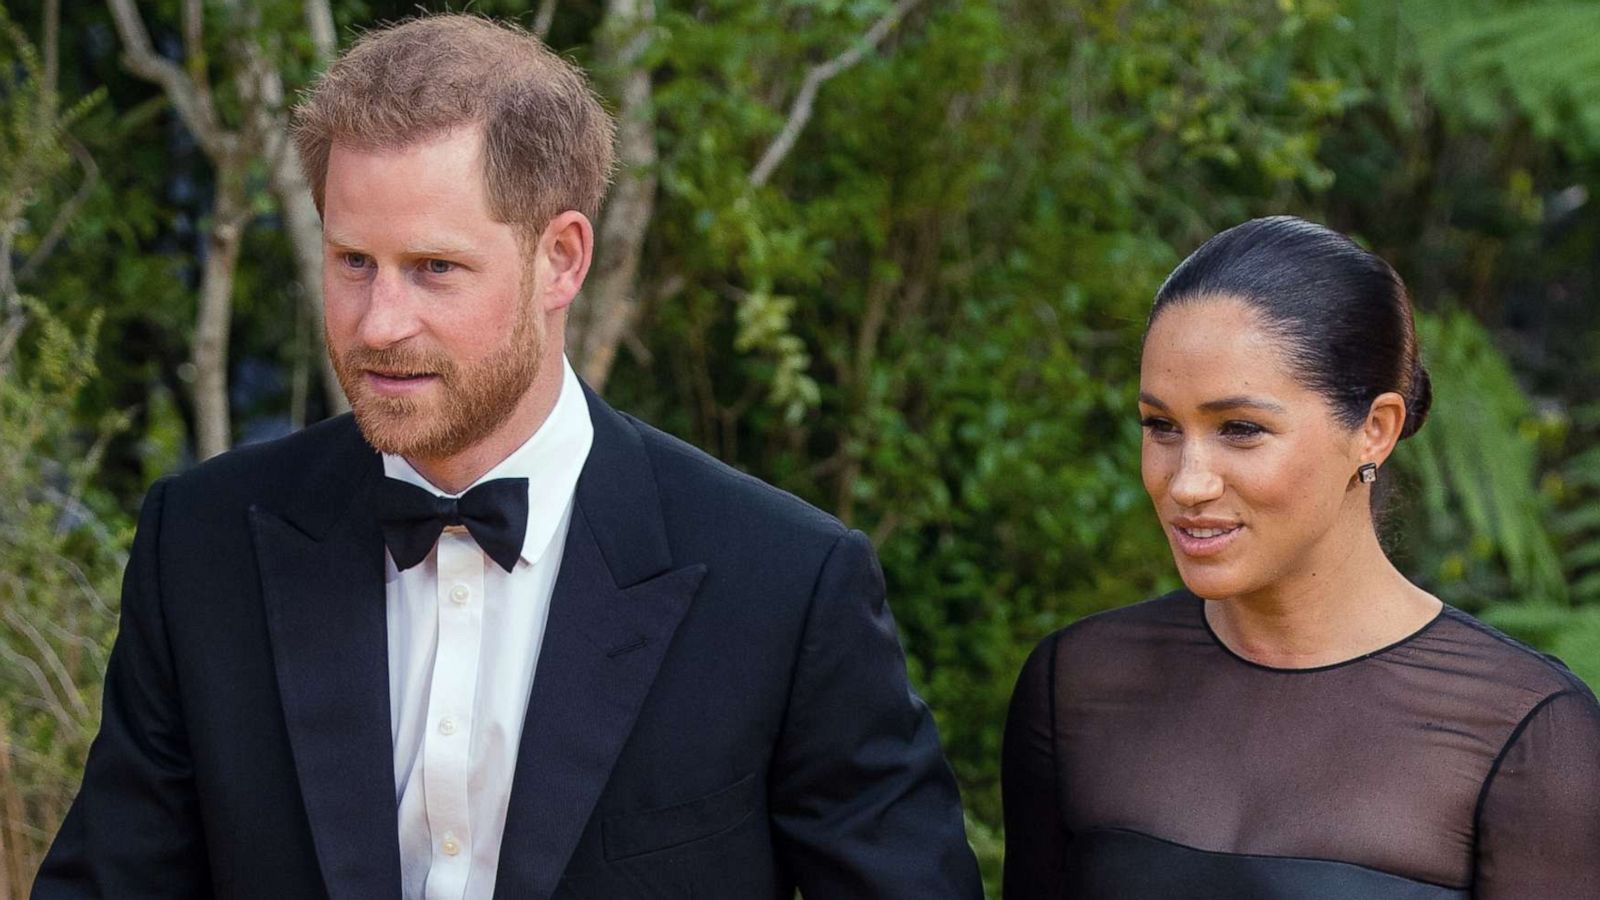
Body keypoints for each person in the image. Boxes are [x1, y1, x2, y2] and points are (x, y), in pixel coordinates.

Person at [35, 15, 981, 900]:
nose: (379, 322)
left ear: (561, 260)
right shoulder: (200, 544)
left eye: (435, 269)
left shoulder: (783, 580)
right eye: (352, 261)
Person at [1001, 216, 1600, 899]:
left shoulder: (1525, 734)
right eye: (1161, 426)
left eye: (1241, 429)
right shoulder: (1077, 685)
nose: (1187, 482)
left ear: (1375, 430)